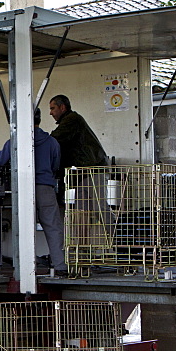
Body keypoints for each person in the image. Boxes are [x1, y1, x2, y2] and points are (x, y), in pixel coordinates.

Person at [0, 109, 66, 275]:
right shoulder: (52, 142)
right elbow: (55, 166)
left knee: (23, 229)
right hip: (46, 188)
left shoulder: (15, 141)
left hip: (23, 188)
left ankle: (25, 268)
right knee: (53, 228)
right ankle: (60, 267)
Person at [48, 94, 110, 246]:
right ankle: (82, 252)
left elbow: (55, 139)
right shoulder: (72, 121)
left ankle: (123, 245)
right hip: (83, 174)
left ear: (63, 107)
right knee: (82, 214)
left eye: (52, 108)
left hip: (92, 171)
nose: (50, 113)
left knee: (99, 209)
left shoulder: (71, 120)